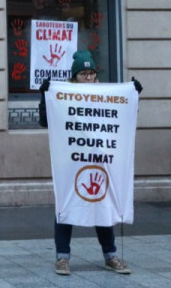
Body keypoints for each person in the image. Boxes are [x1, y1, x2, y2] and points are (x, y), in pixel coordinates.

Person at [38, 50, 143, 276]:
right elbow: (46, 121)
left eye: (91, 73)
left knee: (103, 206)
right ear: (75, 76)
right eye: (83, 73)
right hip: (71, 162)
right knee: (65, 207)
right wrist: (45, 97)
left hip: (100, 160)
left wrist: (134, 97)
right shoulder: (64, 94)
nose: (88, 77)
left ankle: (111, 255)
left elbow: (123, 119)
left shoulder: (105, 95)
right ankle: (62, 258)